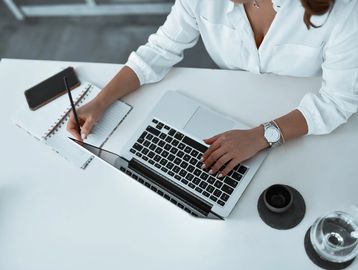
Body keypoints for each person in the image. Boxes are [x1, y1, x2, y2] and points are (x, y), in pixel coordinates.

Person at [67, 0, 358, 178]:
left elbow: (338, 100)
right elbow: (161, 49)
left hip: (298, 123)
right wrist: (101, 101)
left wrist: (261, 136)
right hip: (228, 105)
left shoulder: (344, 10)